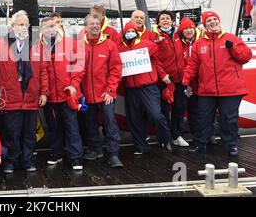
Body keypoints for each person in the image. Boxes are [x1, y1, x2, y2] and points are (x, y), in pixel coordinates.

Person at [0, 10, 49, 173]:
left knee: (29, 133)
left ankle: (27, 160)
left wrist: (44, 92)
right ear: (12, 26)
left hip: (31, 96)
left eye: (26, 25)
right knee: (11, 133)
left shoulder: (36, 44)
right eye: (21, 24)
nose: (24, 27)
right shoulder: (1, 43)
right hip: (11, 97)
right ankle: (11, 161)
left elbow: (43, 70)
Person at [183, 11, 252, 156]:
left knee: (228, 118)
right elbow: (192, 65)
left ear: (219, 21)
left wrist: (233, 48)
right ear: (204, 25)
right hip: (207, 89)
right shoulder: (199, 44)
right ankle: (200, 144)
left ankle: (232, 145)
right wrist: (186, 80)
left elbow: (246, 57)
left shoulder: (231, 38)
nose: (212, 22)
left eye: (215, 19)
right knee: (203, 118)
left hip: (231, 89)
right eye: (209, 21)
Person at [74, 14, 123, 167]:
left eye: (97, 23)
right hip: (87, 93)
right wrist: (79, 92)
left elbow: (116, 69)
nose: (95, 26)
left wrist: (110, 89)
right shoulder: (79, 45)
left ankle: (113, 153)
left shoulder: (109, 45)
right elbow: (75, 69)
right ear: (86, 27)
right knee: (90, 123)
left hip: (105, 93)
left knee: (110, 122)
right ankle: (96, 149)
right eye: (91, 24)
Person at [118, 22, 172, 154]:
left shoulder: (146, 44)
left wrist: (163, 75)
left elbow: (157, 59)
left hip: (148, 86)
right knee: (134, 118)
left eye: (133, 30)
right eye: (128, 31)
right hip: (131, 88)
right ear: (124, 33)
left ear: (137, 32)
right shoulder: (120, 49)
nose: (130, 32)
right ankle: (140, 145)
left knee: (156, 115)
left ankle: (165, 139)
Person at [40, 17, 84, 170]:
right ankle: (56, 153)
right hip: (50, 96)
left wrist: (73, 85)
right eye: (46, 27)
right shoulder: (39, 47)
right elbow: (41, 71)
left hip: (67, 94)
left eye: (52, 26)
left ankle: (76, 157)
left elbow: (77, 66)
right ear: (42, 29)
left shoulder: (69, 42)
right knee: (54, 127)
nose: (49, 29)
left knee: (72, 126)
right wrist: (44, 92)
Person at [152, 10, 189, 147]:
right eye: (163, 18)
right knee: (164, 111)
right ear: (159, 21)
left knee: (179, 108)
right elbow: (154, 59)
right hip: (164, 81)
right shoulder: (155, 36)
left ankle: (177, 136)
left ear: (172, 20)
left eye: (168, 18)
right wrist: (162, 75)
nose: (166, 20)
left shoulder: (178, 35)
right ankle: (165, 138)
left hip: (179, 79)